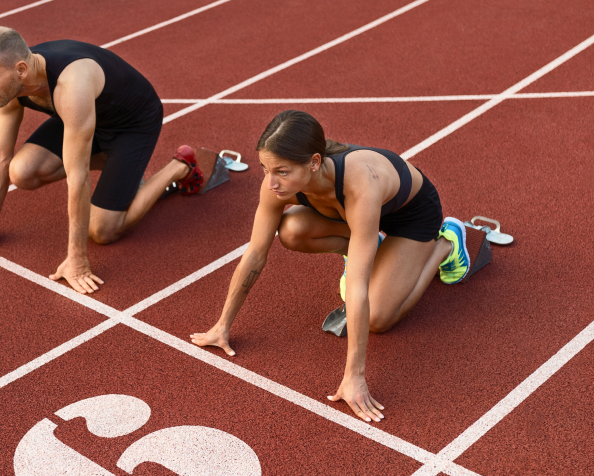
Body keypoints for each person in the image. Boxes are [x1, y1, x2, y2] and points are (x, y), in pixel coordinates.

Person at [190, 110, 471, 423]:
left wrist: (355, 377)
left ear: (313, 162)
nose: (271, 182)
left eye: (281, 171)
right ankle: (369, 249)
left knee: (377, 318)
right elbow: (256, 253)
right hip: (354, 218)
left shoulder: (360, 182)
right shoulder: (278, 184)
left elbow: (358, 287)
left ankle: (445, 244)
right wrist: (222, 325)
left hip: (411, 218)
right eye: (265, 169)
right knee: (292, 231)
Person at [0, 27, 203, 294]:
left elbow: (78, 176)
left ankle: (179, 166)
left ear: (20, 70)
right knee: (21, 172)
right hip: (84, 119)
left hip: (131, 126)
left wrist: (77, 259)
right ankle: (123, 174)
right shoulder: (9, 83)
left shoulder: (71, 84)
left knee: (102, 230)